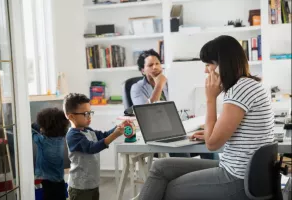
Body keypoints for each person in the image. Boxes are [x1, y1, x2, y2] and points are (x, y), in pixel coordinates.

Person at [139, 35, 275, 200]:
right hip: (241, 171)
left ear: (222, 65)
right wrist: (213, 132)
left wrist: (210, 98)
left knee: (168, 189)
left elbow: (212, 144)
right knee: (160, 167)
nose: (205, 70)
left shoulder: (240, 89)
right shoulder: (248, 85)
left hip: (237, 179)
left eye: (209, 64)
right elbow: (235, 132)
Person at [131, 49, 216, 159]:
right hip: (156, 131)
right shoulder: (136, 88)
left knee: (204, 138)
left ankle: (212, 170)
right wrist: (159, 86)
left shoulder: (170, 83)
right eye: (150, 65)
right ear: (142, 70)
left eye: (157, 63)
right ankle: (185, 173)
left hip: (177, 124)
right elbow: (145, 114)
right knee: (179, 148)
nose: (155, 67)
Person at [64, 93, 128, 200]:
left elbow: (103, 135)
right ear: (71, 116)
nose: (89, 117)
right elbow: (92, 148)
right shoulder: (73, 136)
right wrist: (115, 134)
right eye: (85, 114)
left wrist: (118, 127)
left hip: (92, 183)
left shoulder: (88, 130)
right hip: (80, 187)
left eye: (90, 113)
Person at [32, 107, 70, 200]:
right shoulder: (61, 138)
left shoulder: (42, 141)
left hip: (48, 181)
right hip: (59, 180)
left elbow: (32, 130)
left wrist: (35, 125)